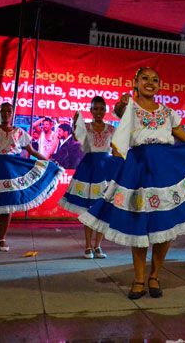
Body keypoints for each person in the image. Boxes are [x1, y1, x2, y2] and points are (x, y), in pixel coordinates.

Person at [79, 67, 185, 299]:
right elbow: (119, 110)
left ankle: (155, 276)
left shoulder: (168, 112)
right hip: (138, 167)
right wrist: (122, 103)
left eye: (155, 80)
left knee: (165, 225)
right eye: (145, 79)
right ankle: (139, 278)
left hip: (165, 168)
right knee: (139, 224)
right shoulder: (130, 107)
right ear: (136, 82)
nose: (150, 82)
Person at [0, 103, 64, 252]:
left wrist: (49, 163)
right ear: (0, 113)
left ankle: (2, 239)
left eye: (9, 111)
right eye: (3, 111)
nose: (6, 113)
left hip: (11, 170)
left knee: (8, 205)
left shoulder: (19, 132)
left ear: (12, 113)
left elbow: (32, 151)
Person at [59, 97, 123, 259]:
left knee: (102, 209)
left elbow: (116, 151)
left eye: (102, 109)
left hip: (105, 171)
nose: (99, 112)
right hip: (88, 169)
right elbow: (75, 138)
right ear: (91, 110)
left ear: (106, 110)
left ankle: (98, 246)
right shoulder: (85, 127)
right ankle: (88, 246)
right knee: (88, 210)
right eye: (95, 109)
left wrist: (123, 166)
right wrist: (75, 124)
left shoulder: (111, 129)